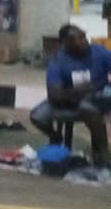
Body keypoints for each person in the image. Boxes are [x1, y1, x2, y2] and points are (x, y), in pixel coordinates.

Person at [29, 24, 111, 167]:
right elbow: (54, 94)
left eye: (83, 37)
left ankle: (103, 153)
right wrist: (77, 91)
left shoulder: (99, 52)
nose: (83, 41)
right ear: (64, 44)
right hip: (69, 101)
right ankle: (55, 136)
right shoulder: (57, 61)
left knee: (88, 108)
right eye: (75, 39)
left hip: (98, 97)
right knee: (37, 116)